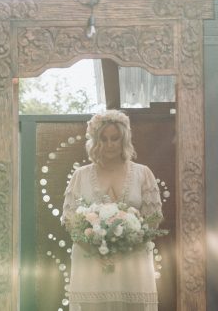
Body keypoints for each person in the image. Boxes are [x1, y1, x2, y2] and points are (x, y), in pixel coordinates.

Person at [61, 109, 163, 311]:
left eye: (115, 139)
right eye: (104, 139)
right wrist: (96, 248)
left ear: (124, 139)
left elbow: (153, 220)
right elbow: (71, 221)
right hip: (91, 263)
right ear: (95, 141)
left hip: (133, 263)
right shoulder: (80, 176)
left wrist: (126, 245)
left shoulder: (143, 173)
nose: (109, 144)